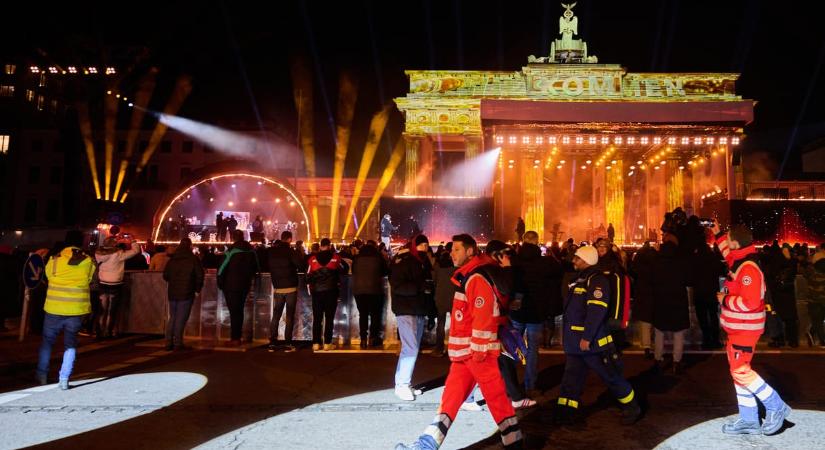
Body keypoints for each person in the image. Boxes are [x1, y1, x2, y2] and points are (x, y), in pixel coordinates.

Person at [395, 234, 522, 450]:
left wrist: (480, 354)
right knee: (451, 402)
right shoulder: (472, 275)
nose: (451, 254)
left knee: (496, 401)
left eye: (456, 250)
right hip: (466, 354)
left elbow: (483, 318)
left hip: (476, 354)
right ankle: (425, 445)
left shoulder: (476, 278)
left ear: (470, 251)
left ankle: (514, 442)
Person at [712, 221, 790, 435]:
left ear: (736, 243)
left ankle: (776, 406)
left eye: (728, 240)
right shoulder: (739, 260)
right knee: (738, 374)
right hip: (738, 329)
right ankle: (748, 419)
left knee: (741, 371)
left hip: (744, 330)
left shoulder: (748, 268)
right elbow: (728, 253)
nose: (726, 245)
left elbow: (751, 301)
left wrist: (725, 300)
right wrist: (718, 233)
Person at [554, 245, 641, 426]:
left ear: (585, 260)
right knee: (571, 379)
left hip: (592, 343)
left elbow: (596, 311)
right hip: (576, 343)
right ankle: (565, 411)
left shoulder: (596, 280)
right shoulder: (581, 279)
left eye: (577, 258)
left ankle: (632, 407)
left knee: (610, 376)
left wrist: (587, 337)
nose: (573, 261)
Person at [36, 232, 96, 389]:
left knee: (47, 343)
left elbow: (48, 276)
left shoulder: (54, 259)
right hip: (76, 309)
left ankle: (42, 375)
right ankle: (64, 379)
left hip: (53, 308)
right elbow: (90, 280)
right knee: (70, 344)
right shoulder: (88, 260)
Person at [510, 230, 562, 394]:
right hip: (536, 313)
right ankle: (530, 385)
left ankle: (509, 385)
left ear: (524, 241)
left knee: (511, 348)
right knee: (533, 350)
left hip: (517, 312)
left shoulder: (514, 260)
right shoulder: (545, 262)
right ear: (537, 242)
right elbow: (559, 271)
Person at [389, 234, 434, 401]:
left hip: (418, 309)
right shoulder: (405, 261)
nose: (426, 249)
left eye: (427, 247)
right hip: (407, 309)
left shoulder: (421, 262)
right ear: (417, 246)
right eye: (423, 246)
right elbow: (397, 285)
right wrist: (420, 287)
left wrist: (430, 311)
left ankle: (403, 384)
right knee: (411, 348)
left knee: (410, 348)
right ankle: (401, 385)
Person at [651, 233, 691, 374]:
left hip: (661, 300)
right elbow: (688, 279)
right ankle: (676, 362)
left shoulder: (656, 260)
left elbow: (652, 280)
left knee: (659, 332)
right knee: (678, 333)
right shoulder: (681, 261)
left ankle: (658, 359)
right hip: (677, 300)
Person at [267, 231, 307, 352]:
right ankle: (288, 343)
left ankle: (273, 342)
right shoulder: (291, 252)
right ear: (290, 239)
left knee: (276, 315)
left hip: (278, 287)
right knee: (289, 315)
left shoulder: (272, 252)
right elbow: (301, 265)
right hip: (290, 287)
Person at [217, 230, 259, 346]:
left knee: (234, 312)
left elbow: (221, 269)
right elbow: (257, 267)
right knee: (239, 310)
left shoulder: (231, 251)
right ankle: (240, 336)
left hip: (231, 286)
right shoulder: (252, 251)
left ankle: (235, 338)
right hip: (245, 285)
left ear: (233, 238)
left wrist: (220, 283)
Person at [162, 238, 204, 351]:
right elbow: (200, 276)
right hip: (187, 292)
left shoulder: (172, 259)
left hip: (173, 292)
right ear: (190, 246)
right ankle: (177, 343)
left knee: (173, 317)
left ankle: (168, 342)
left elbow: (165, 275)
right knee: (181, 318)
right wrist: (197, 290)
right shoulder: (193, 259)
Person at [306, 238, 347, 351]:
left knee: (317, 318)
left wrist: (312, 289)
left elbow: (308, 275)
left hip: (317, 293)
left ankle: (316, 343)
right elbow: (345, 268)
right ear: (329, 246)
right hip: (331, 292)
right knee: (329, 318)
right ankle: (327, 343)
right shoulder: (336, 258)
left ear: (320, 246)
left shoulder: (312, 259)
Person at [95, 236, 140, 338]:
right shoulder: (118, 254)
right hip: (115, 284)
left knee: (102, 309)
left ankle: (99, 331)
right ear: (114, 244)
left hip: (102, 283)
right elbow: (135, 251)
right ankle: (108, 332)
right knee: (111, 309)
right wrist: (132, 240)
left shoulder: (98, 253)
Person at [351, 240, 389, 349]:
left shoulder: (357, 258)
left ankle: (363, 339)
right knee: (375, 315)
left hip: (359, 291)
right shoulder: (378, 258)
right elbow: (385, 271)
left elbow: (353, 271)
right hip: (375, 290)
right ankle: (373, 338)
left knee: (362, 315)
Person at [693, 242, 727, 349]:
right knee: (713, 316)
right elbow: (722, 270)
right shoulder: (713, 258)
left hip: (699, 294)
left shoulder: (696, 260)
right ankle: (715, 340)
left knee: (702, 318)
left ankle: (706, 339)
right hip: (712, 292)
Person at [629, 242, 657, 358]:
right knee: (655, 320)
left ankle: (646, 346)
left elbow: (632, 272)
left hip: (642, 294)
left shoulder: (639, 265)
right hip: (655, 293)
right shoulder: (656, 262)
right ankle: (655, 343)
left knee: (645, 322)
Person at [432, 242, 456, 357]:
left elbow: (434, 281)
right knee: (455, 325)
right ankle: (454, 348)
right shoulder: (456, 265)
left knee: (440, 324)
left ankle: (439, 348)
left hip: (441, 297)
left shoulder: (438, 265)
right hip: (454, 298)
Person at [803, 252, 825, 347]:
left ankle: (812, 333)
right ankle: (822, 340)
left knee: (817, 321)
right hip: (821, 301)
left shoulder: (811, 272)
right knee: (819, 321)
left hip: (813, 301)